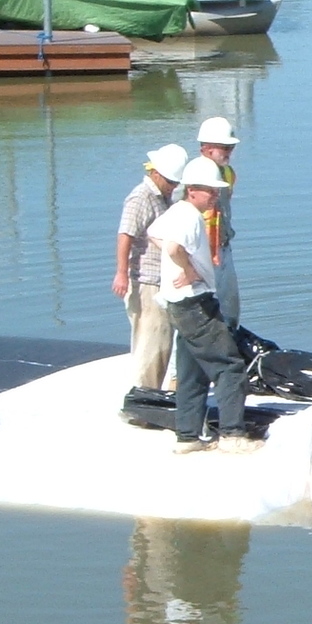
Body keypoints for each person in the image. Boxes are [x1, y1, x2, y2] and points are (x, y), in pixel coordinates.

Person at [147, 157, 262, 456]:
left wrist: (180, 265)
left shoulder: (176, 212)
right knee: (230, 366)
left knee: (192, 371)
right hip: (195, 303)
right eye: (210, 191)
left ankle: (187, 436)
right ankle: (232, 435)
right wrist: (188, 269)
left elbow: (154, 234)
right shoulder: (189, 217)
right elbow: (172, 247)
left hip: (178, 307)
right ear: (193, 190)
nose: (214, 196)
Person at [112, 143, 188, 391]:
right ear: (156, 173)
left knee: (162, 345)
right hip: (146, 281)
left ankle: (152, 396)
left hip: (160, 281)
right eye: (170, 181)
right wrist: (122, 273)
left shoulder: (164, 197)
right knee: (150, 346)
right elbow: (126, 235)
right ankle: (143, 401)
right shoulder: (141, 197)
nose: (173, 186)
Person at [195, 116, 241, 326]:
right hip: (201, 253)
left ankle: (230, 348)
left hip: (222, 248)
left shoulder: (227, 173)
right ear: (206, 147)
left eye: (230, 147)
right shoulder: (194, 176)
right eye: (225, 147)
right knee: (202, 312)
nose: (229, 152)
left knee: (230, 308)